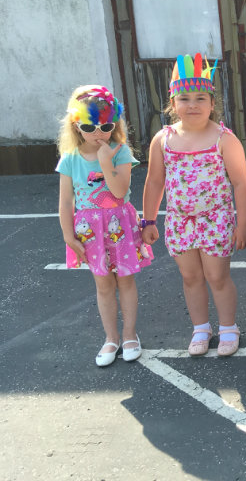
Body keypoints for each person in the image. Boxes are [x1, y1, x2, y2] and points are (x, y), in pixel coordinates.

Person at [142, 54, 246, 357]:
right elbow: (155, 181)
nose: (193, 105)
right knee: (190, 277)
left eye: (200, 98)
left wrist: (243, 224)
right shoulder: (162, 140)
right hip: (179, 222)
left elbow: (241, 183)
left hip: (215, 220)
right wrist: (148, 220)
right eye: (184, 99)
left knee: (217, 277)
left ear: (212, 103)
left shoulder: (224, 139)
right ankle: (201, 328)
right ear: (172, 103)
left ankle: (228, 327)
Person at [57, 86, 154, 366]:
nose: (98, 132)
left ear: (115, 124)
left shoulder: (120, 153)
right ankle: (111, 337)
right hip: (89, 231)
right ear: (76, 125)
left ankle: (130, 334)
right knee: (103, 284)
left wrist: (105, 161)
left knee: (125, 280)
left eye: (106, 126)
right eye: (89, 127)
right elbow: (66, 201)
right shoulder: (71, 159)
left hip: (119, 226)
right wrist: (68, 236)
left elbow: (119, 191)